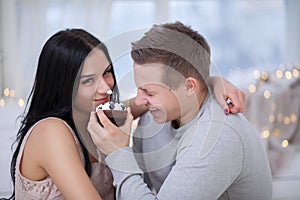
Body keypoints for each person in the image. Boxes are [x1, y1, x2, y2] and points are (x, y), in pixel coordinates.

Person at [3, 28, 245, 200]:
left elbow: (160, 98)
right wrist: (120, 153)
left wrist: (213, 81)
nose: (106, 87)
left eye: (107, 72)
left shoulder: (98, 116)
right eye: (88, 80)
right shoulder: (51, 132)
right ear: (62, 85)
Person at [88, 21, 273, 200]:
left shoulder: (215, 137)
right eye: (139, 89)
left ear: (189, 86)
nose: (139, 101)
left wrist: (118, 154)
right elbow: (136, 186)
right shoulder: (154, 116)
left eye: (149, 92)